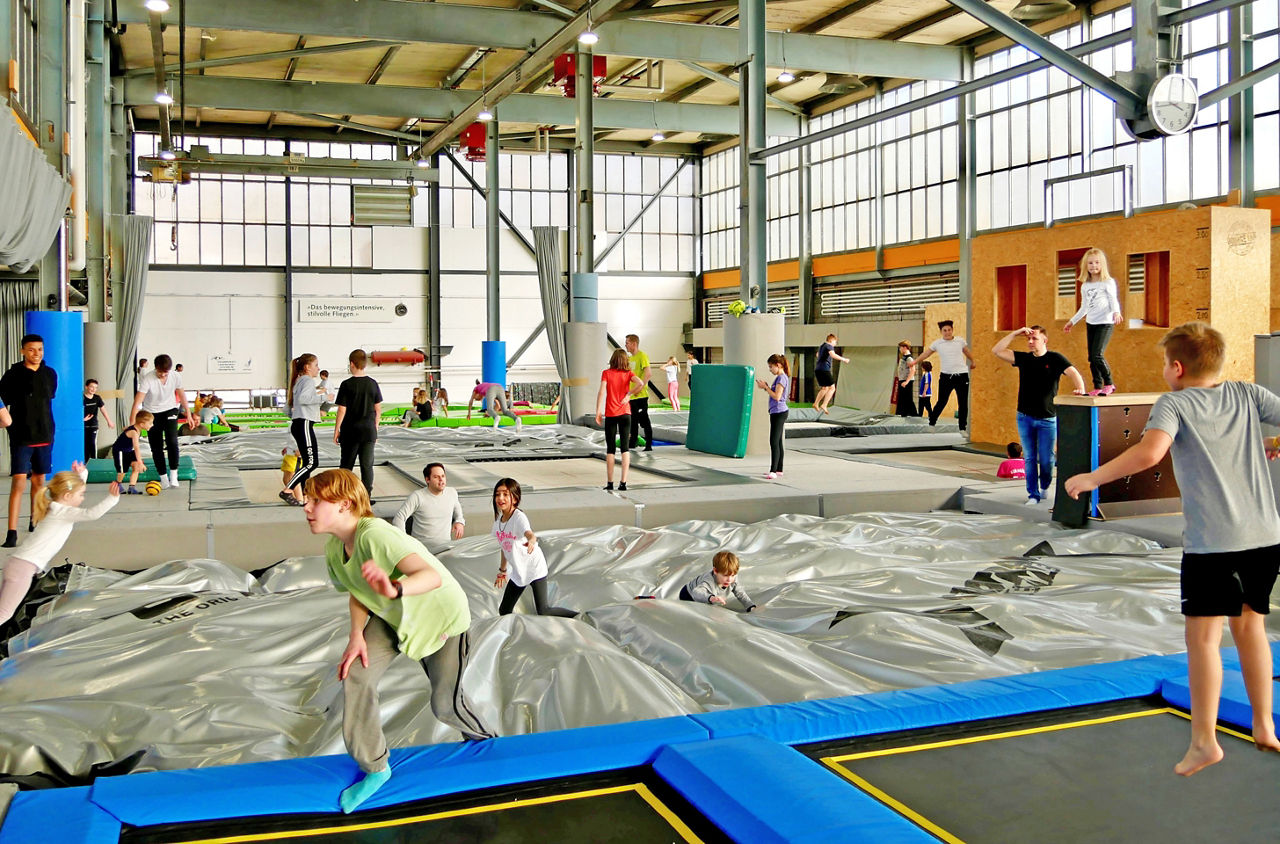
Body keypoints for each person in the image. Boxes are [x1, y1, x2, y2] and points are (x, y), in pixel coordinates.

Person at [1064, 322, 1280, 776]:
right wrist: (1268, 444)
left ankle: (1204, 740)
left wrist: (1091, 478)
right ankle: (1264, 725)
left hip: (1214, 544)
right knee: (1252, 629)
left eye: (1165, 364)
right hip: (1264, 537)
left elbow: (1148, 454)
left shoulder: (1174, 403)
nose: (1164, 371)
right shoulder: (1248, 394)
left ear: (1177, 368)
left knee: (1203, 639)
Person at [304, 468, 493, 814]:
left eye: (315, 500)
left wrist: (395, 588)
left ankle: (489, 746)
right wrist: (356, 636)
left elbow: (430, 575)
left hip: (438, 618)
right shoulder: (335, 548)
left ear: (345, 505)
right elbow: (357, 591)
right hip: (392, 616)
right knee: (356, 675)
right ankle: (376, 767)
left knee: (445, 705)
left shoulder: (376, 535)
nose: (306, 506)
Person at [0, 463, 119, 626]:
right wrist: (112, 498)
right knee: (4, 613)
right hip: (23, 569)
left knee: (4, 608)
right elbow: (92, 514)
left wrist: (82, 474)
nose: (83, 498)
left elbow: (73, 489)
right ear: (68, 496)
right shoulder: (63, 513)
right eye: (81, 495)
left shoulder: (54, 507)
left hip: (18, 564)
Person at [992, 325, 1086, 505]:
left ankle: (1044, 485)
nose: (1030, 342)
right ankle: (1032, 494)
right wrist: (1014, 333)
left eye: (1034, 339)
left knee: (1046, 459)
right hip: (1025, 417)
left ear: (1045, 340)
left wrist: (1080, 388)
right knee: (1029, 457)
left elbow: (1074, 372)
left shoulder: (1055, 359)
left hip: (1047, 419)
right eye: (1028, 339)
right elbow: (997, 350)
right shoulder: (1024, 358)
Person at [492, 478, 575, 618]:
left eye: (506, 494)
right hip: (519, 570)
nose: (501, 498)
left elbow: (529, 533)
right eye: (498, 494)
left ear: (515, 498)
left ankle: (577, 616)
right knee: (504, 610)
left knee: (543, 610)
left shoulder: (519, 517)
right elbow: (504, 547)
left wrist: (531, 540)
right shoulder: (498, 522)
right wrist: (502, 571)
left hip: (534, 567)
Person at [0, 334, 53, 548]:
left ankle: (35, 521)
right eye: (31, 350)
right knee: (19, 482)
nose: (36, 354)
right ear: (23, 351)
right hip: (21, 435)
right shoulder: (13, 374)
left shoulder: (50, 374)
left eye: (40, 349)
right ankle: (11, 532)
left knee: (39, 481)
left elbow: (48, 400)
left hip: (45, 434)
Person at [129, 354, 193, 493]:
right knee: (156, 446)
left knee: (172, 441)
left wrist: (188, 413)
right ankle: (163, 477)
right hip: (152, 413)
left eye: (166, 372)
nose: (163, 375)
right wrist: (132, 421)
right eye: (160, 372)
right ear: (155, 368)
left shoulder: (175, 376)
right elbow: (138, 401)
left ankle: (174, 475)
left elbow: (181, 394)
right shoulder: (148, 378)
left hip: (170, 409)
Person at [1064, 247, 1123, 396]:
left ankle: (1109, 383)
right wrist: (1072, 321)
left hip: (1105, 322)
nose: (1094, 266)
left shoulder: (1107, 282)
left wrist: (1116, 312)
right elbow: (1084, 307)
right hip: (1091, 322)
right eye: (1090, 263)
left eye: (1097, 263)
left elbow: (1112, 299)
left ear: (1102, 265)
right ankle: (1097, 386)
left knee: (1097, 354)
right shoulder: (1086, 286)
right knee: (1091, 357)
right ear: (1086, 266)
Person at [334, 350, 383, 499]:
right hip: (368, 430)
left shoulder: (346, 384)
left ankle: (344, 496)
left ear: (351, 364)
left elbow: (342, 410)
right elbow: (378, 409)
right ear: (365, 364)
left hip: (350, 430)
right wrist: (375, 428)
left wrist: (336, 430)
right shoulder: (372, 383)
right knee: (367, 466)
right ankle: (366, 497)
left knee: (346, 465)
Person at [595, 349, 644, 492]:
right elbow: (640, 383)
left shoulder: (607, 373)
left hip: (611, 413)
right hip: (625, 413)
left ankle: (610, 483)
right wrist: (629, 394)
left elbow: (602, 392)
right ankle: (623, 483)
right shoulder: (628, 374)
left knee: (610, 449)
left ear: (613, 360)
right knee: (625, 448)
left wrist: (598, 411)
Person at [916, 320, 977, 431]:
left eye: (949, 330)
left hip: (962, 375)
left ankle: (962, 428)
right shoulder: (937, 343)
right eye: (945, 330)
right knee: (942, 401)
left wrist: (973, 361)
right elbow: (926, 353)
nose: (947, 332)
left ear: (952, 330)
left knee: (963, 403)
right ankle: (932, 423)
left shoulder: (960, 341)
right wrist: (915, 362)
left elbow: (967, 352)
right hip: (946, 377)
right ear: (941, 332)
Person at [391, 463, 465, 549]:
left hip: (445, 548)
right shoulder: (417, 496)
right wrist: (406, 542)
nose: (441, 480)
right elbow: (399, 518)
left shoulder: (452, 492)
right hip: (422, 550)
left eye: (443, 476)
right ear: (427, 480)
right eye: (436, 477)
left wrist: (459, 521)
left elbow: (457, 510)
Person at [679, 551, 757, 612]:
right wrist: (712, 598)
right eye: (725, 575)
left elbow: (740, 593)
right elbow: (696, 592)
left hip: (708, 595)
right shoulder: (709, 581)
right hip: (688, 594)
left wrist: (750, 606)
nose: (729, 579)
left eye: (733, 575)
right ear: (715, 571)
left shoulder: (732, 579)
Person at [755, 354, 790, 481]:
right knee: (778, 441)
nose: (770, 369)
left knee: (774, 441)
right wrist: (766, 387)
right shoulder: (780, 378)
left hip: (779, 412)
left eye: (771, 367)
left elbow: (777, 396)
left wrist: (766, 387)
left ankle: (773, 470)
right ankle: (779, 469)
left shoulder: (781, 378)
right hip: (776, 412)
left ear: (778, 365)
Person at [112, 411, 153, 494]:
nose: (152, 425)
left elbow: (126, 429)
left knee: (136, 466)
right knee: (122, 471)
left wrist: (138, 463)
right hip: (120, 451)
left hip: (129, 450)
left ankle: (132, 487)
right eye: (150, 423)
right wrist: (140, 462)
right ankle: (117, 484)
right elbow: (137, 448)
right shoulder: (134, 432)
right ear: (142, 424)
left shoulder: (138, 428)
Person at [624, 334, 653, 452]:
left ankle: (648, 445)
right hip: (632, 396)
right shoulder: (630, 359)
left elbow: (648, 373)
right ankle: (632, 442)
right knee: (633, 421)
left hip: (641, 396)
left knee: (644, 420)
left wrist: (640, 387)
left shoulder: (642, 356)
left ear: (634, 344)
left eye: (627, 343)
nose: (625, 345)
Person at [812, 333, 851, 415]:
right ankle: (824, 405)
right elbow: (833, 355)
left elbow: (817, 354)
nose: (835, 344)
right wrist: (844, 359)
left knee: (824, 388)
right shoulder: (829, 346)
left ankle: (816, 403)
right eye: (835, 342)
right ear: (831, 340)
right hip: (824, 369)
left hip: (818, 369)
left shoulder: (822, 346)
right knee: (832, 388)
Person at [82, 378, 113, 461]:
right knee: (85, 445)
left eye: (95, 388)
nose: (93, 389)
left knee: (92, 443)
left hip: (93, 425)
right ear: (86, 387)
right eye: (91, 387)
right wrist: (82, 420)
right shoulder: (81, 398)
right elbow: (75, 411)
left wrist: (109, 421)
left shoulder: (97, 398)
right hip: (83, 426)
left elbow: (103, 409)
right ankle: (85, 461)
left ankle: (93, 461)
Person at [894, 341, 917, 417]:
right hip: (902, 380)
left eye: (900, 347)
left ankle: (914, 415)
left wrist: (907, 381)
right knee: (902, 398)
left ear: (904, 347)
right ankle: (902, 413)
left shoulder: (909, 358)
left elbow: (913, 370)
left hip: (906, 381)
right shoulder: (903, 357)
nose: (900, 349)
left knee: (907, 399)